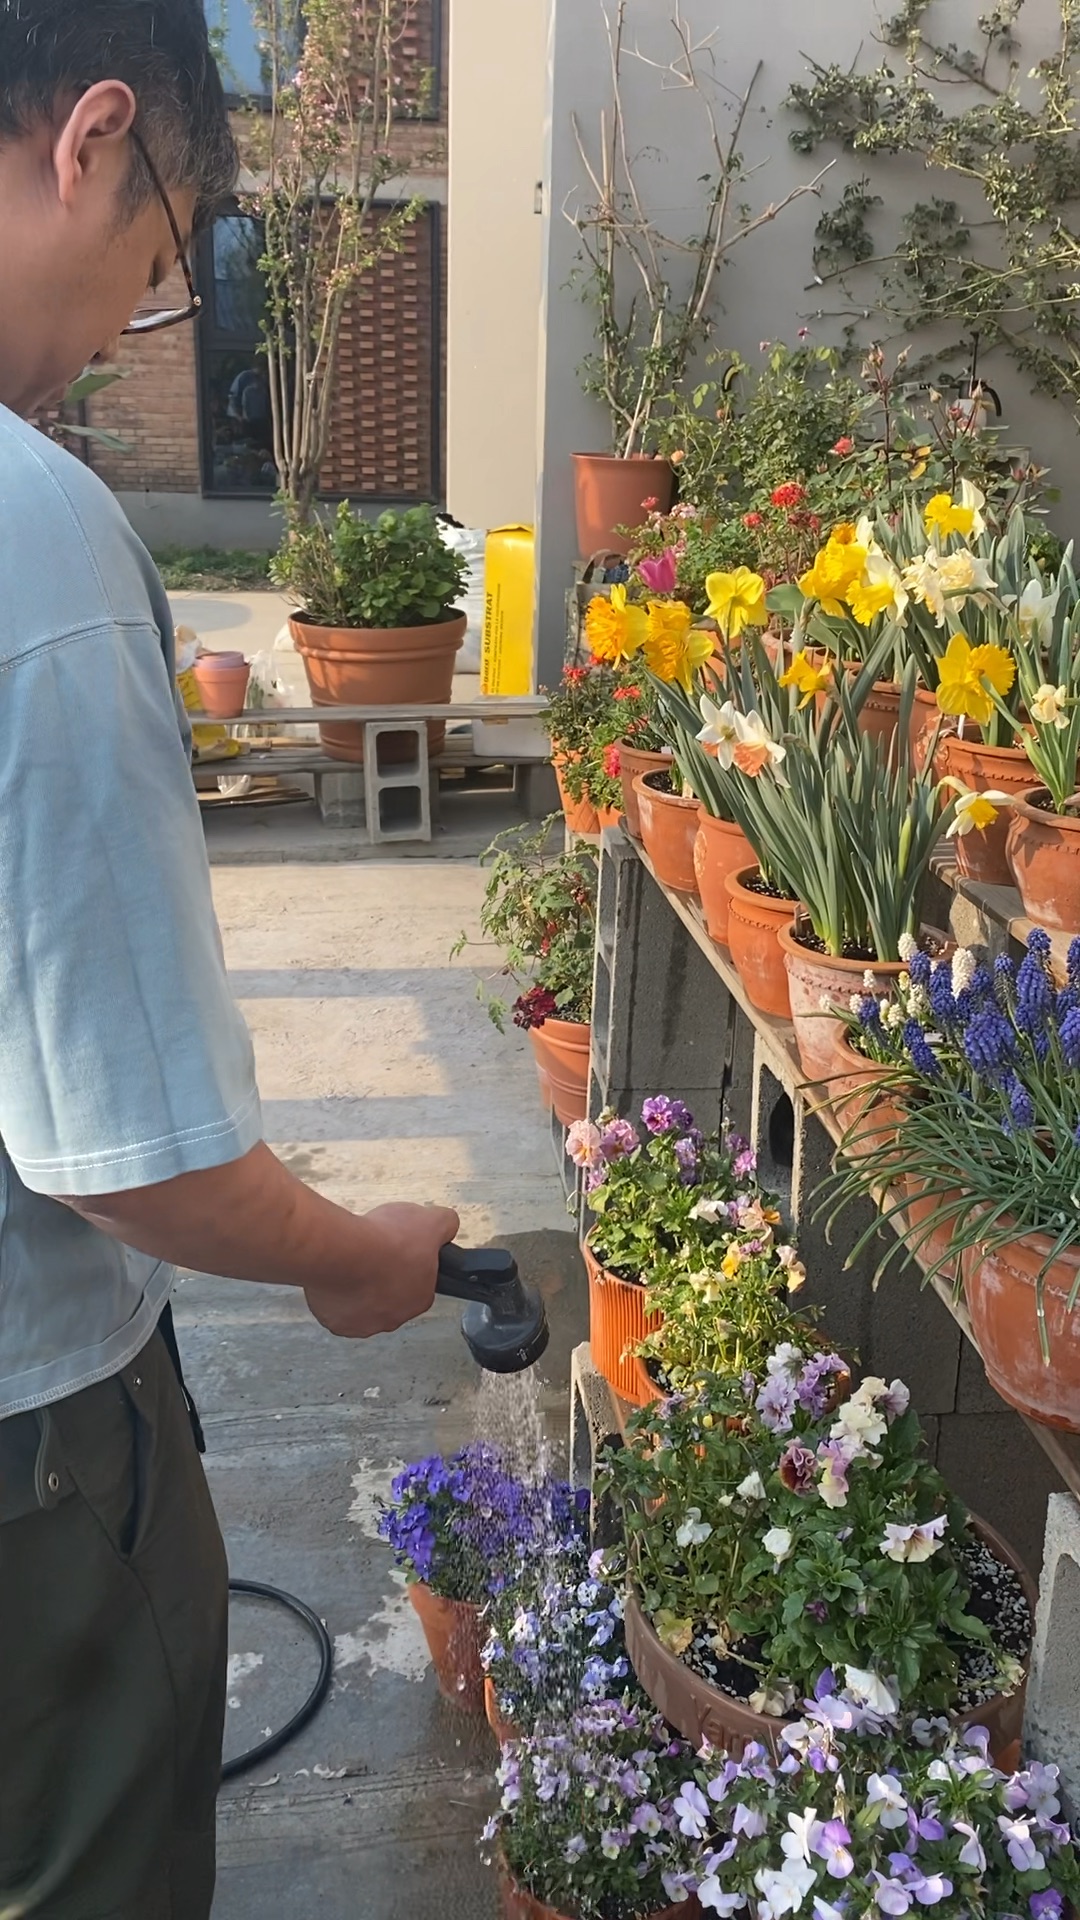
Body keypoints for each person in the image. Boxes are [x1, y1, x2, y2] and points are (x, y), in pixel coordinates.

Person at [0, 6, 459, 1916]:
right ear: (91, 140)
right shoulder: (34, 551)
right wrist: (370, 1261)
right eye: (167, 263)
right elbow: (127, 1143)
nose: (134, 328)